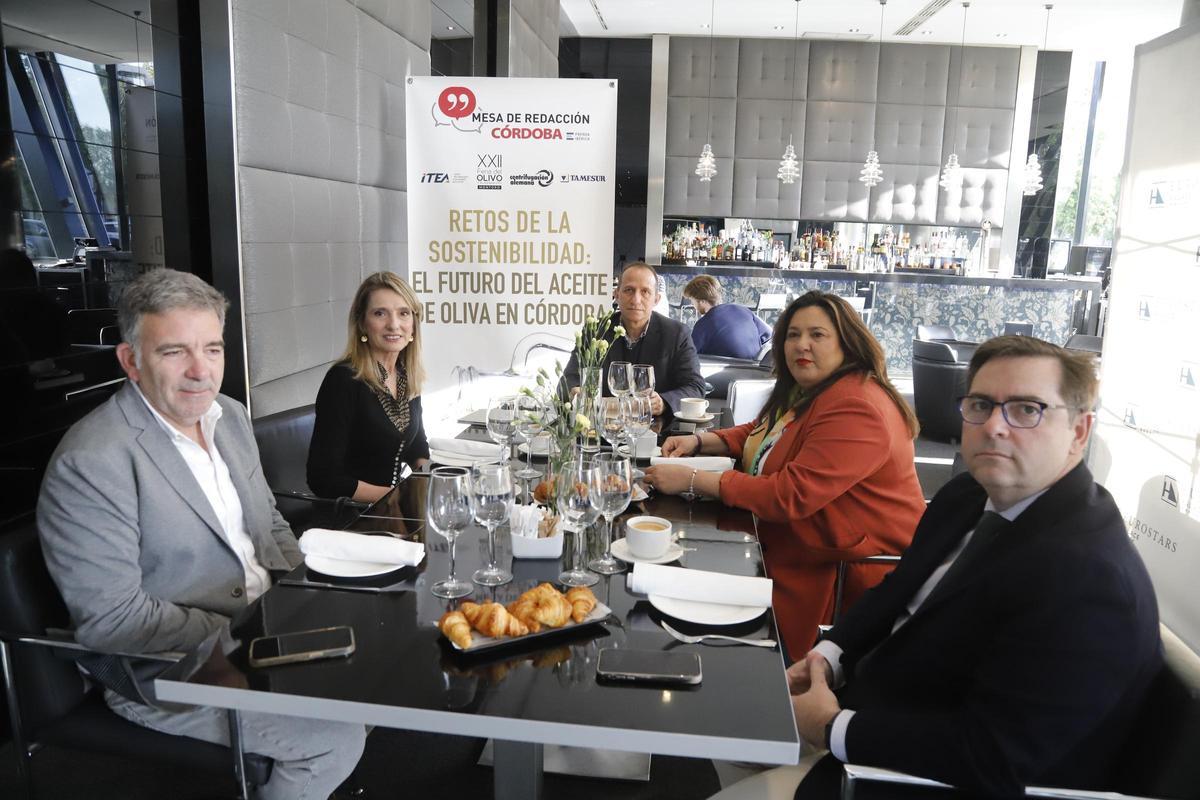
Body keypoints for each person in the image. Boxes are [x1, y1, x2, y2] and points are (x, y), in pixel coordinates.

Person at [765, 335, 1161, 798]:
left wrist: (833, 727)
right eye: (980, 405)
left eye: (1026, 409)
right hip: (867, 708)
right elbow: (897, 591)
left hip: (898, 778)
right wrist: (828, 657)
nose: (994, 426)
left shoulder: (1089, 578)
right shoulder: (967, 495)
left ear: (1079, 431)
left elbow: (995, 753)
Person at [37, 268, 366, 800]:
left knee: (376, 684)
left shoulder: (229, 416)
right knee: (334, 739)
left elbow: (270, 525)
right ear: (131, 360)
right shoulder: (92, 462)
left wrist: (304, 598)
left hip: (269, 631)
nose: (200, 371)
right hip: (172, 668)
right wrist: (251, 633)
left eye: (212, 349)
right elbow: (113, 619)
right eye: (174, 352)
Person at [645, 291, 925, 656]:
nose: (801, 345)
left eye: (817, 334)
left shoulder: (858, 406)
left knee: (681, 595)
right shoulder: (818, 390)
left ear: (847, 342)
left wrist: (693, 480)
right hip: (787, 542)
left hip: (840, 575)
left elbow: (789, 495)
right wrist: (701, 441)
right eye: (793, 335)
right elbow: (765, 433)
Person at [308, 271, 431, 502]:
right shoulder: (343, 380)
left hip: (393, 511)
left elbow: (417, 449)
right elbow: (323, 478)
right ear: (362, 323)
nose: (394, 325)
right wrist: (397, 497)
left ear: (414, 325)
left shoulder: (405, 375)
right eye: (380, 313)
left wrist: (437, 486)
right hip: (353, 514)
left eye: (403, 313)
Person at [561, 261, 707, 416]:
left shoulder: (676, 334)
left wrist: (664, 402)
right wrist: (574, 391)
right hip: (602, 425)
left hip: (655, 427)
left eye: (645, 292)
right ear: (616, 295)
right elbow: (568, 380)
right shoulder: (596, 331)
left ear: (656, 299)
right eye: (629, 290)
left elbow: (695, 387)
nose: (636, 299)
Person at [683, 274, 771, 360]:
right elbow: (768, 333)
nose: (692, 304)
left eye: (692, 300)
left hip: (727, 368)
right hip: (755, 366)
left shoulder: (703, 324)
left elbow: (689, 355)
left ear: (701, 301)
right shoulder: (743, 310)